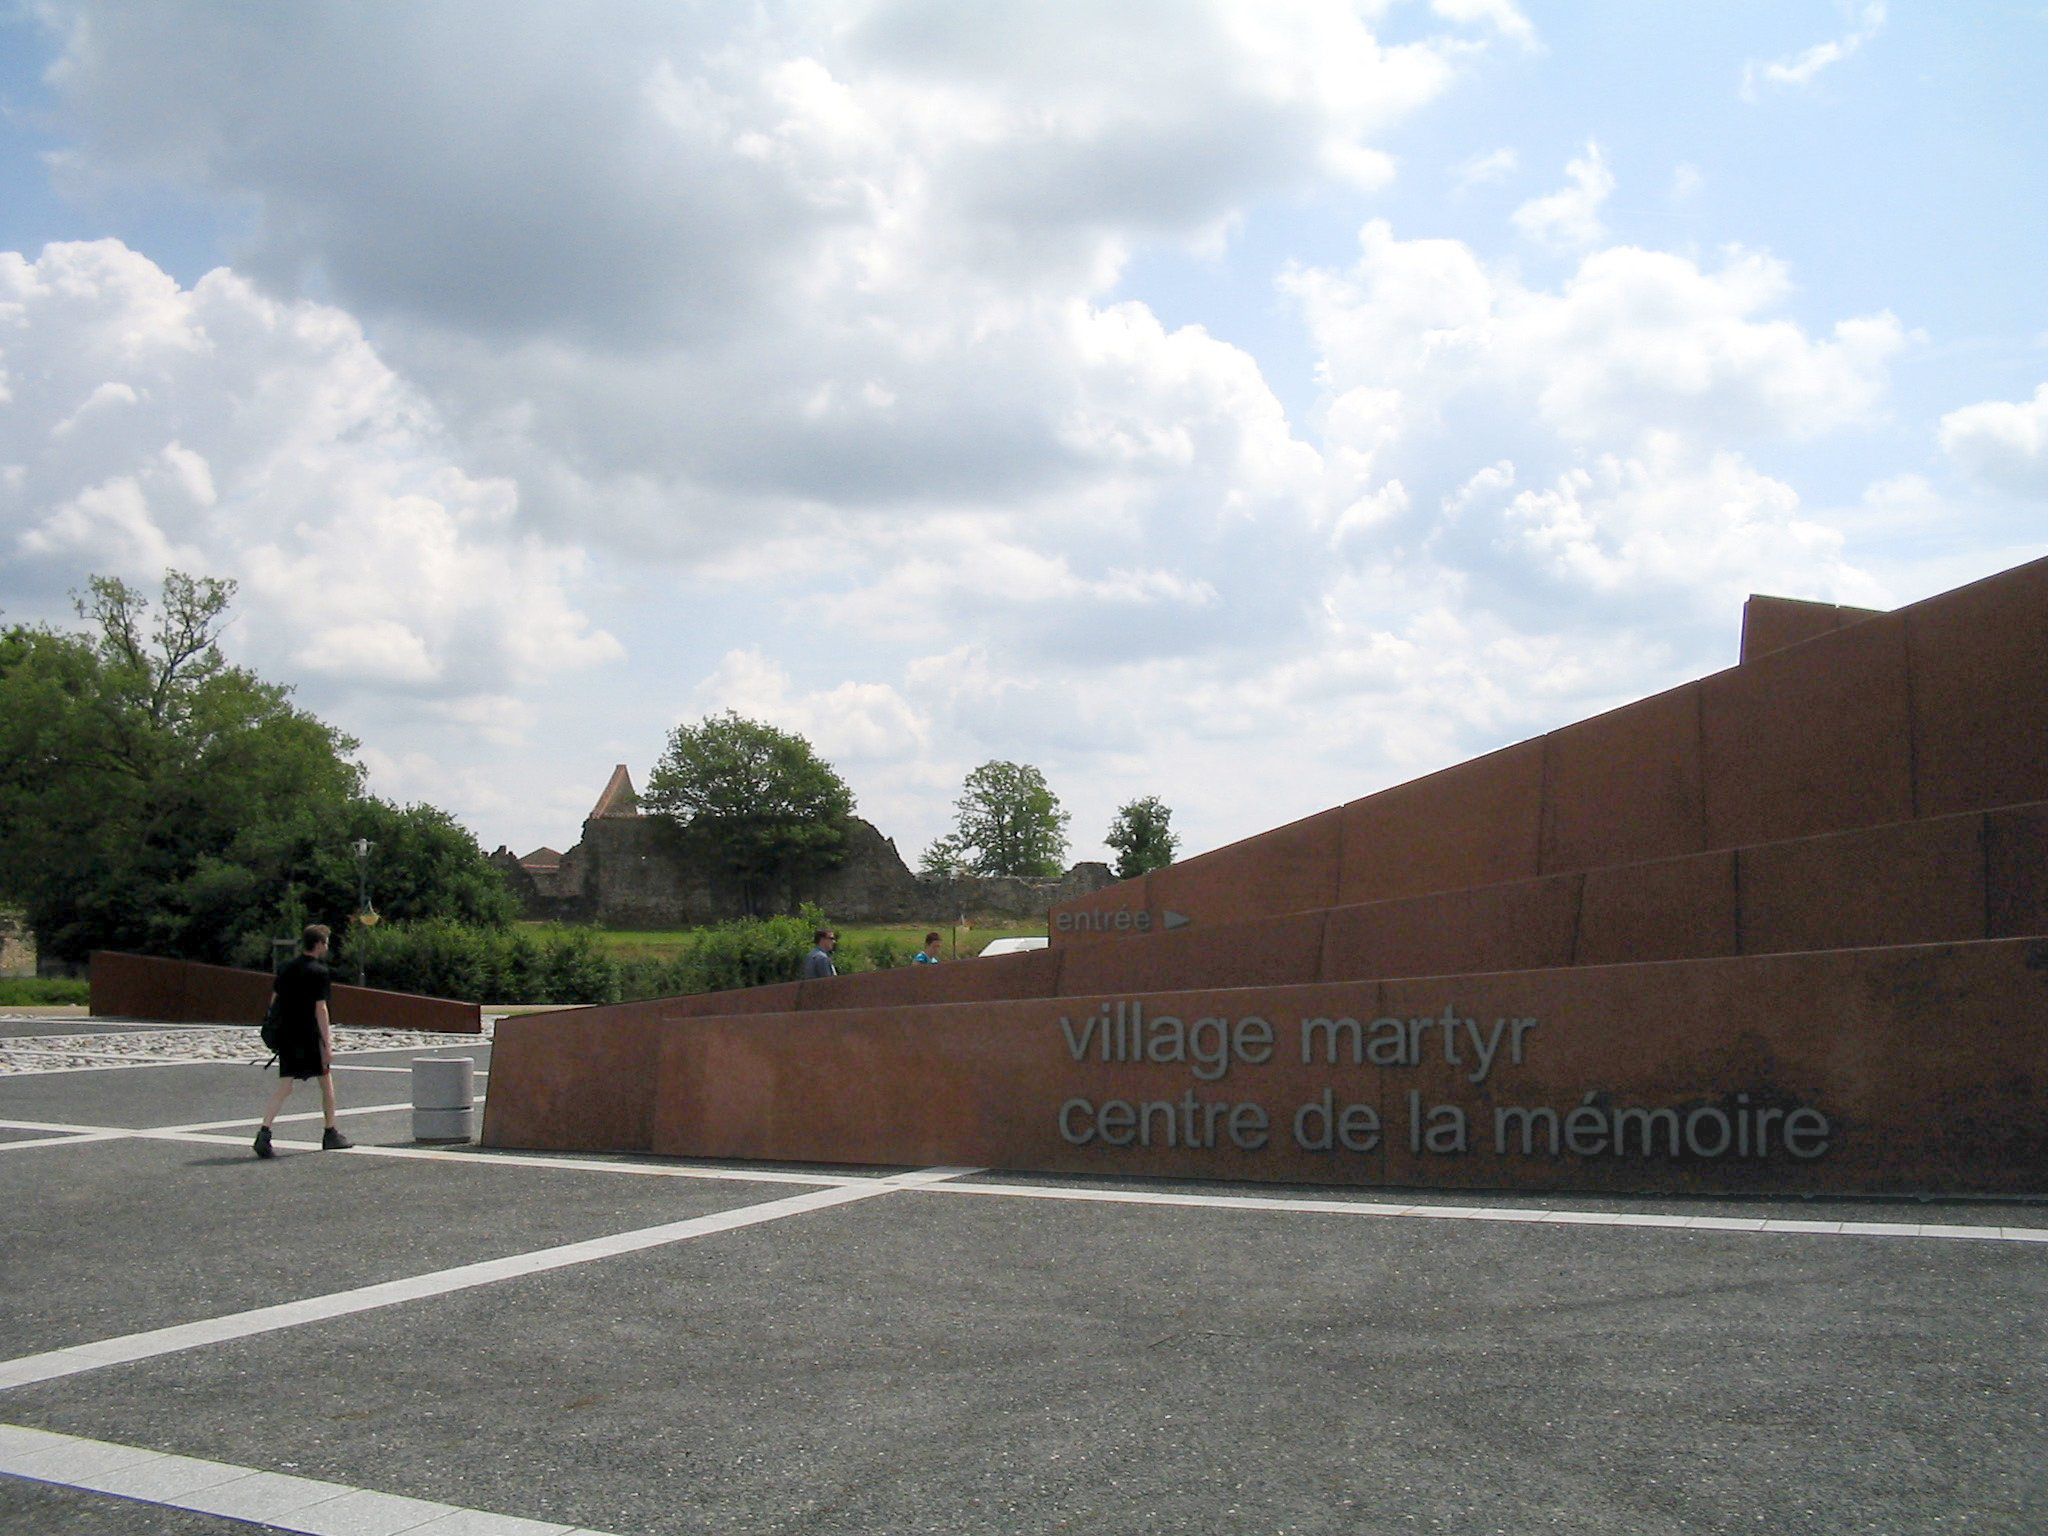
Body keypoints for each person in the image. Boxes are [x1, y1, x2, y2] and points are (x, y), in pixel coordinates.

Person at [253, 923, 351, 1157]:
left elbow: (274, 1001)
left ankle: (264, 1132)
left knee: (285, 1086)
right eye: (326, 943)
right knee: (325, 1082)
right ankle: (330, 1132)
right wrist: (327, 1044)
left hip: (287, 1034)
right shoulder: (319, 972)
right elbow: (321, 1009)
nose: (327, 947)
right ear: (319, 944)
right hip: (309, 1035)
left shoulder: (286, 967)